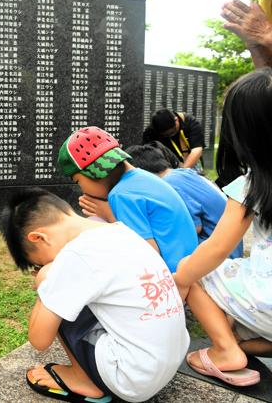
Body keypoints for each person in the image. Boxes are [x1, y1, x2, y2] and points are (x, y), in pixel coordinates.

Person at [0, 188, 189, 403]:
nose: (44, 265)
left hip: (132, 379)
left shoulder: (75, 255)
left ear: (39, 238)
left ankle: (82, 380)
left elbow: (39, 339)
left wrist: (45, 280)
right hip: (169, 361)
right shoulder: (120, 231)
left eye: (38, 261)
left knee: (57, 296)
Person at [175, 68, 272, 387]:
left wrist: (181, 276)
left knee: (197, 271)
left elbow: (216, 248)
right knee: (241, 269)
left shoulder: (252, 185)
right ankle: (243, 342)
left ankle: (226, 351)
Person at [57, 126, 198, 272]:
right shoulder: (141, 177)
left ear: (93, 173)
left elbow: (148, 255)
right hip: (190, 267)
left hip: (173, 276)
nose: (82, 190)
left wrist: (109, 216)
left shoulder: (121, 195)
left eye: (78, 182)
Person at [125, 143, 244, 259]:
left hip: (217, 256)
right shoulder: (181, 173)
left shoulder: (170, 185)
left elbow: (192, 228)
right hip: (229, 247)